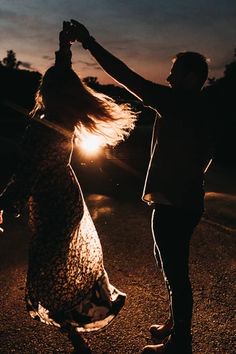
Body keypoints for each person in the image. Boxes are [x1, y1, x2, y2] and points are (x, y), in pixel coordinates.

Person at [67, 19, 214, 354]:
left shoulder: (178, 102)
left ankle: (180, 344)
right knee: (169, 264)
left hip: (174, 203)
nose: (169, 77)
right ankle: (177, 325)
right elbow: (208, 152)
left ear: (190, 77)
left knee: (175, 272)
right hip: (187, 201)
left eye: (175, 72)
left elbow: (126, 76)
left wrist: (89, 42)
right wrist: (190, 180)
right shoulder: (202, 107)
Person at [0, 22, 136, 353]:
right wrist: (64, 48)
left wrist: (4, 203)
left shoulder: (49, 124)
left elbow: (28, 173)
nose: (42, 88)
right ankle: (74, 328)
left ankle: (73, 327)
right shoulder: (60, 113)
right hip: (64, 196)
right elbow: (62, 76)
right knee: (59, 263)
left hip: (52, 201)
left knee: (52, 266)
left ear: (52, 92)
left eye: (46, 85)